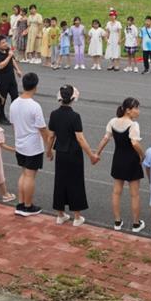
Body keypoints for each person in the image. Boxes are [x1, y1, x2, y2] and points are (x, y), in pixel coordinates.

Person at [47, 84, 98, 226]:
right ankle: (76, 217)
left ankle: (60, 215)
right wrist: (91, 155)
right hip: (74, 154)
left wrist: (48, 151)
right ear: (73, 98)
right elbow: (80, 139)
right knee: (75, 182)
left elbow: (51, 136)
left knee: (60, 182)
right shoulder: (75, 116)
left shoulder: (54, 114)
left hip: (60, 153)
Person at [95, 97, 146, 233]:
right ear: (128, 110)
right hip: (132, 161)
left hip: (118, 159)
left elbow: (105, 138)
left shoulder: (113, 122)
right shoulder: (133, 125)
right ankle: (136, 224)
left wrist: (97, 153)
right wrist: (143, 155)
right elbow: (134, 143)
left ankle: (117, 222)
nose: (138, 111)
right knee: (134, 194)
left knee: (116, 192)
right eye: (136, 108)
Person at [10, 72, 48, 216]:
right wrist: (49, 146)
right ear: (35, 87)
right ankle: (28, 205)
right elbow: (42, 129)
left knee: (24, 174)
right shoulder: (35, 106)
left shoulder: (14, 103)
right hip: (32, 147)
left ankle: (21, 204)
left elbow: (13, 124)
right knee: (30, 176)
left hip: (20, 144)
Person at [0, 36, 21, 125]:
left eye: (5, 42)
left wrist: (17, 70)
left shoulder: (8, 50)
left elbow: (12, 60)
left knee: (15, 98)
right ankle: (2, 117)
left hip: (11, 79)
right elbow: (0, 66)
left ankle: (14, 116)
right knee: (2, 100)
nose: (5, 44)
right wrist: (9, 56)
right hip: (2, 80)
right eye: (3, 43)